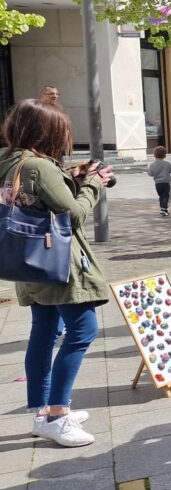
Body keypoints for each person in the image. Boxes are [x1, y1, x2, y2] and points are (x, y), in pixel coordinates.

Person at [0, 100, 113, 447]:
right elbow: (73, 215)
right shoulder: (40, 166)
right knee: (83, 330)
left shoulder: (9, 160)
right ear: (47, 133)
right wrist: (93, 183)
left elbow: (41, 201)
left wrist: (72, 179)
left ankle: (41, 411)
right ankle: (58, 414)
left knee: (44, 332)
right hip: (59, 262)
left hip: (28, 261)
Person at [147, 146, 171, 216]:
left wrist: (147, 171)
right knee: (167, 196)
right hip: (166, 183)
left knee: (161, 196)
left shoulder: (152, 165)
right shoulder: (167, 164)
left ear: (154, 155)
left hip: (157, 184)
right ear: (165, 156)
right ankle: (164, 208)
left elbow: (150, 174)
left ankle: (163, 209)